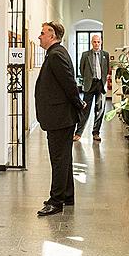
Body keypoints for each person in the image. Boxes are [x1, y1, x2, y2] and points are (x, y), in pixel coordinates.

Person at [34, 21, 84, 217]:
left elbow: (68, 83)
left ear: (52, 35)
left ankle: (56, 201)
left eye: (42, 33)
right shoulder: (55, 53)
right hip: (59, 116)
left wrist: (79, 104)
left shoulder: (55, 54)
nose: (39, 36)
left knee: (58, 159)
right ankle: (67, 195)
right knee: (64, 158)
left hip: (60, 117)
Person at [75, 34, 110, 142]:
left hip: (100, 84)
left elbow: (106, 68)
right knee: (85, 109)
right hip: (89, 84)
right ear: (91, 43)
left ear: (101, 42)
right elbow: (81, 68)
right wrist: (87, 79)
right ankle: (79, 133)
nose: (96, 44)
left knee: (99, 110)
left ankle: (96, 133)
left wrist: (103, 81)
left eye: (98, 42)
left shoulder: (105, 55)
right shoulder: (86, 55)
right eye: (94, 42)